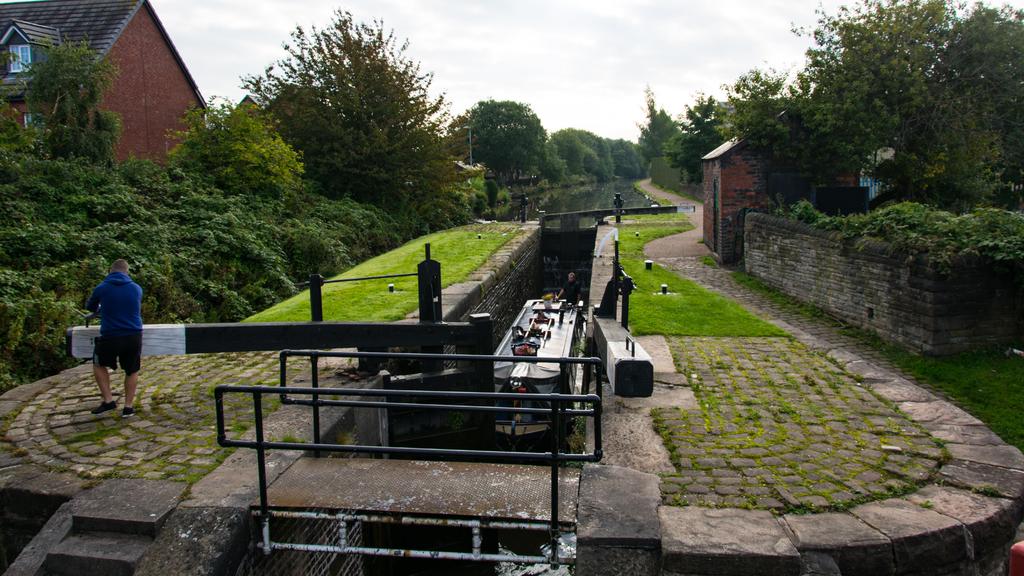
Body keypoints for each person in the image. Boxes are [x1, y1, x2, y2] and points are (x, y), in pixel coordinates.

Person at [85, 259, 143, 418]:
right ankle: (128, 407)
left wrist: (101, 309)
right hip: (134, 335)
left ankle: (108, 400)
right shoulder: (136, 288)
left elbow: (90, 307)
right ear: (127, 272)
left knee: (98, 364)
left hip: (111, 335)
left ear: (110, 271)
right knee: (132, 370)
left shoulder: (102, 287)